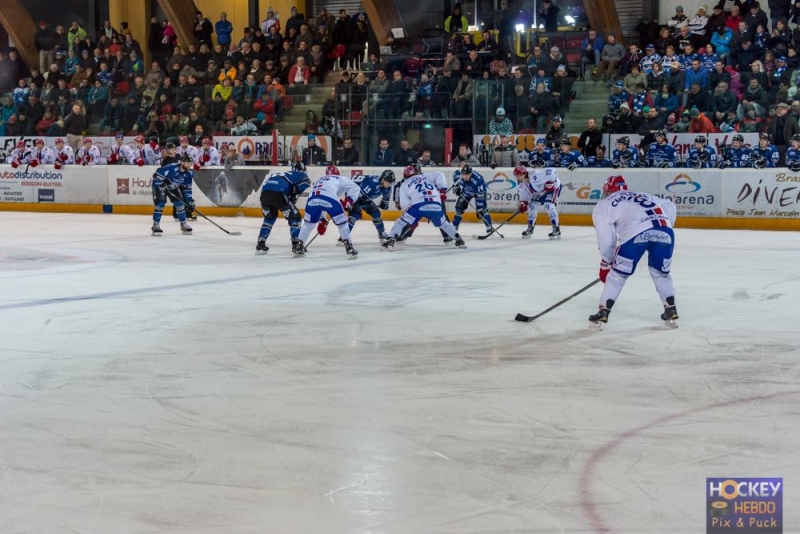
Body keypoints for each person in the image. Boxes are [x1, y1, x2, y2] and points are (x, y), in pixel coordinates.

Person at [589, 175, 678, 329]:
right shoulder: (641, 195)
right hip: (665, 231)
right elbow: (670, 206)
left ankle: (603, 312)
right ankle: (671, 310)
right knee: (661, 273)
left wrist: (607, 262)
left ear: (608, 190)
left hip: (635, 235)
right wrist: (662, 228)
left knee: (617, 275)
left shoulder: (604, 204)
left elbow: (606, 238)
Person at [381, 167, 466, 250]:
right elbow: (440, 174)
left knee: (401, 222)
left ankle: (391, 239)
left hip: (419, 206)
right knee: (444, 223)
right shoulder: (425, 176)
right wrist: (442, 190)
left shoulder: (404, 184)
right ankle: (458, 239)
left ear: (404, 175)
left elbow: (405, 205)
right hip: (436, 204)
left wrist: (411, 220)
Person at [294, 169, 362, 258]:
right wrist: (349, 200)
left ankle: (299, 245)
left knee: (308, 224)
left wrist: (322, 220)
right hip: (330, 200)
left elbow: (320, 200)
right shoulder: (340, 178)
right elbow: (356, 188)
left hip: (312, 200)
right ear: (338, 173)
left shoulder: (320, 179)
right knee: (342, 224)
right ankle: (349, 247)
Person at [256, 161, 311, 255]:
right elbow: (305, 183)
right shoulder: (301, 174)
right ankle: (296, 244)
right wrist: (295, 193)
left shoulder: (284, 174)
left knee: (269, 218)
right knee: (295, 218)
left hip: (264, 194)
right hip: (279, 193)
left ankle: (260, 243)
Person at [151, 153, 195, 236]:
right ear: (182, 162)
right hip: (159, 186)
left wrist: (189, 202)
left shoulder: (189, 174)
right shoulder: (171, 167)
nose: (189, 165)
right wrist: (161, 184)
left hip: (172, 187)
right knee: (160, 204)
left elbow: (187, 189)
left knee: (180, 203)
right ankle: (155, 225)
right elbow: (156, 175)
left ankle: (183, 224)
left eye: (190, 163)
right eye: (187, 163)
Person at [514, 164, 562, 240]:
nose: (516, 177)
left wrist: (550, 183)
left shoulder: (535, 176)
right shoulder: (521, 185)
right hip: (540, 192)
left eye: (518, 175)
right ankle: (530, 228)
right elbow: (525, 198)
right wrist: (523, 204)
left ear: (524, 174)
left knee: (548, 205)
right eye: (516, 176)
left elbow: (553, 170)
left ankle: (556, 228)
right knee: (532, 206)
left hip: (552, 189)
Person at [346, 168, 395, 241]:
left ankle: (381, 233)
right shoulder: (372, 184)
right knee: (354, 214)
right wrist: (350, 203)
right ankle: (344, 236)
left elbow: (385, 204)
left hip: (364, 196)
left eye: (391, 183)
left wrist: (383, 204)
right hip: (354, 193)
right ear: (383, 180)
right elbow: (358, 196)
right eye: (389, 182)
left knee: (376, 214)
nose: (390, 185)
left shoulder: (387, 187)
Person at [450, 165, 493, 233]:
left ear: (471, 174)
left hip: (479, 193)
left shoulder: (478, 181)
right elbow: (455, 183)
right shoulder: (457, 175)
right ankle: (454, 227)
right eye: (463, 174)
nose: (465, 176)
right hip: (467, 191)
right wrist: (457, 188)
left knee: (482, 210)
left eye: (467, 175)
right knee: (459, 209)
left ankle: (489, 226)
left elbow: (480, 196)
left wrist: (479, 209)